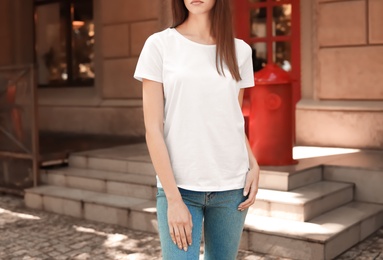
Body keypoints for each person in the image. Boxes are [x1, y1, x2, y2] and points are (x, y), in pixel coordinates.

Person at [134, 0, 260, 259]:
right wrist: (173, 198)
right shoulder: (159, 45)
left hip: (231, 186)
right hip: (180, 187)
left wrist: (253, 163)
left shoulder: (240, 51)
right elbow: (153, 129)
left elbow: (233, 119)